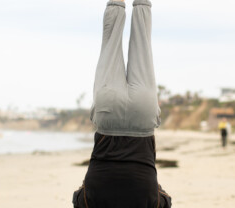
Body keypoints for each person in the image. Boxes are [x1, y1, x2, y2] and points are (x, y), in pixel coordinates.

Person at [73, 0, 171, 207]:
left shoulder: (149, 202)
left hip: (142, 119)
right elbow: (77, 199)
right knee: (110, 42)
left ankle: (142, 4)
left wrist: (154, 188)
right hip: (108, 117)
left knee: (143, 41)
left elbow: (166, 202)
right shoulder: (90, 202)